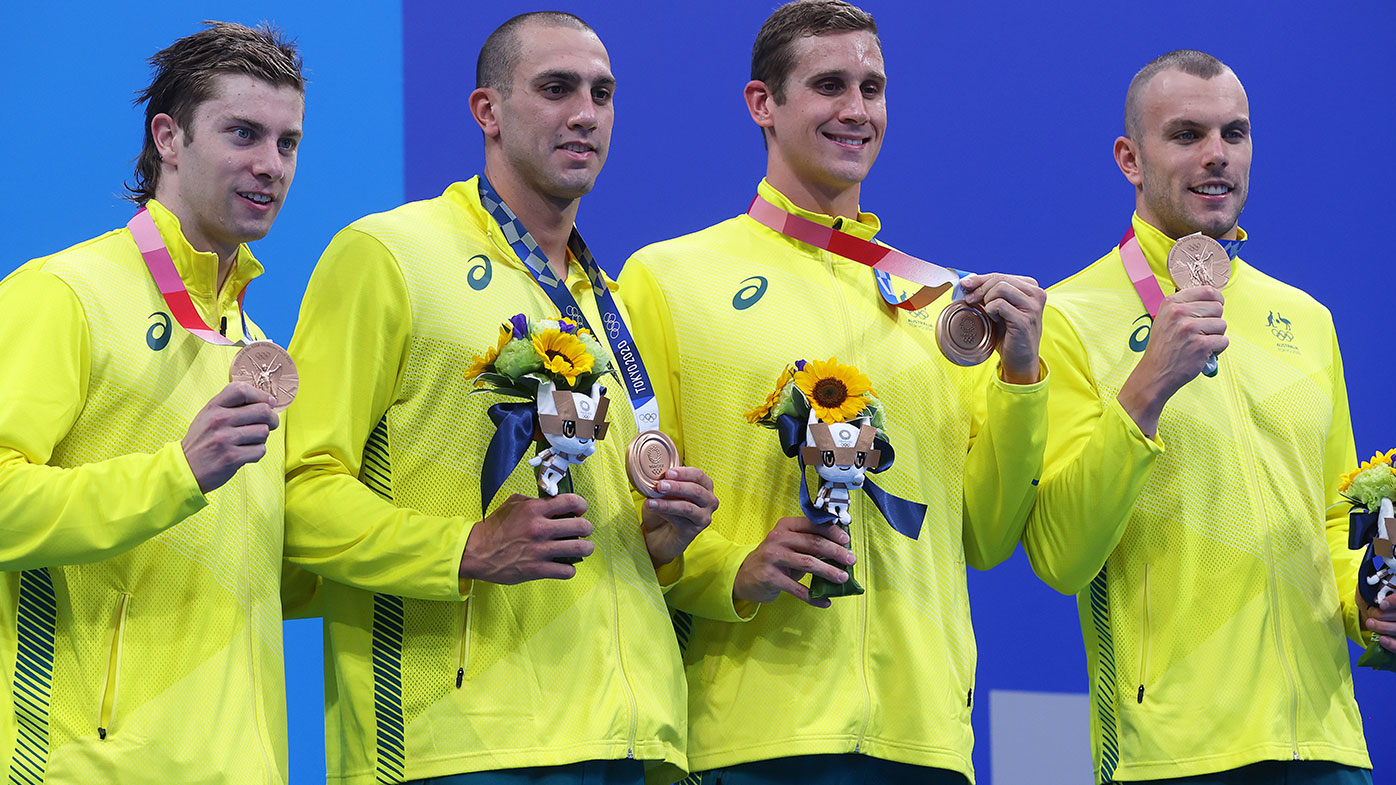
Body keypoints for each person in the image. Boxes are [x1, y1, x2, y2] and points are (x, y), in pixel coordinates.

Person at [617, 2, 1047, 782]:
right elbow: (632, 511)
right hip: (753, 735)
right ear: (763, 105)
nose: (857, 110)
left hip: (925, 740)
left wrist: (1020, 375)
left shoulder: (940, 302)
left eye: (872, 87)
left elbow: (984, 533)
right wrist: (731, 571)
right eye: (828, 85)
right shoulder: (669, 279)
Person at [283, 12, 715, 785]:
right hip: (454, 742)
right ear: (487, 110)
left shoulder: (606, 304)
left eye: (602, 92)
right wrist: (466, 548)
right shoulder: (389, 256)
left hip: (625, 739)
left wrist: (658, 536)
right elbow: (296, 494)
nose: (585, 112)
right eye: (556, 88)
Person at [1023, 49, 1382, 784]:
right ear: (1131, 157)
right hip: (1173, 753)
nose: (1217, 156)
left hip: (1326, 748)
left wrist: (1368, 600)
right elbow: (1061, 554)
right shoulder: (1067, 319)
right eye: (1187, 134)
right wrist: (1144, 391)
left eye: (1235, 133)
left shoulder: (1306, 319)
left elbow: (1336, 520)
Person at [0, 21, 306, 784]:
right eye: (243, 133)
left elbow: (264, 573)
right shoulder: (64, 293)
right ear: (168, 138)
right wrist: (175, 473)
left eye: (288, 142)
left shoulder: (255, 343)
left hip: (245, 766)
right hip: (85, 763)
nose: (270, 165)